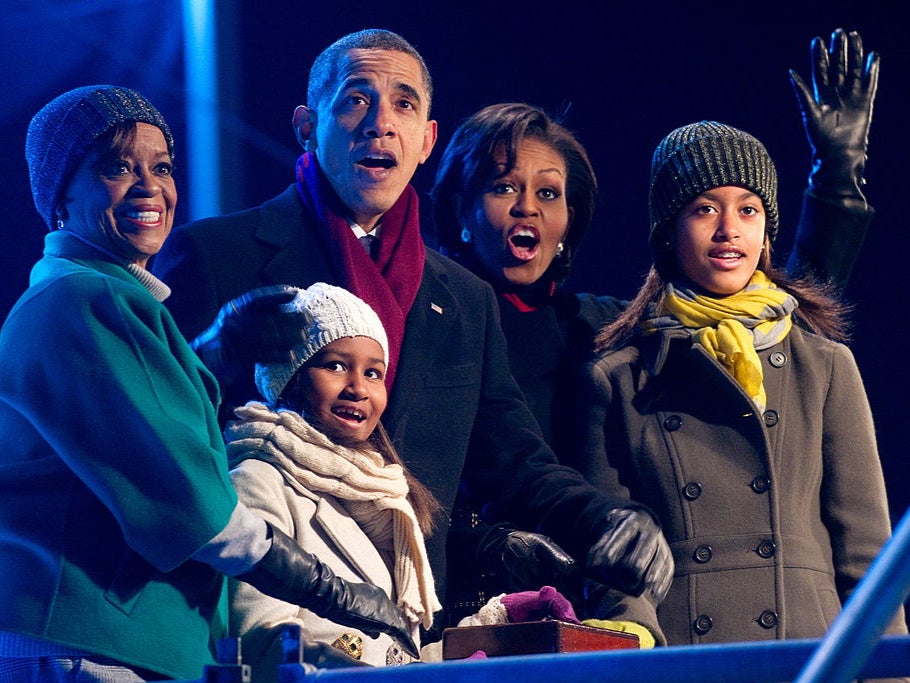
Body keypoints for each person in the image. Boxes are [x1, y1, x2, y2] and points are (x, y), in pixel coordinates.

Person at [151, 28, 675, 636]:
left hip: (407, 628)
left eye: (403, 104)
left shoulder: (464, 300)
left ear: (426, 140)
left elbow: (517, 462)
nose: (380, 123)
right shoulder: (217, 255)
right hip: (257, 618)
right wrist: (214, 350)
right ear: (306, 125)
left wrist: (606, 518)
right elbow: (160, 427)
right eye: (355, 99)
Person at [429, 27, 881, 620]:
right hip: (469, 605)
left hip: (586, 603)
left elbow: (764, 318)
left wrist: (836, 181)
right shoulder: (431, 330)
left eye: (549, 192)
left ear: (570, 220)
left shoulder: (604, 332)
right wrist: (486, 550)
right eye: (504, 187)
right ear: (462, 211)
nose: (527, 207)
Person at [0, 85, 419, 682]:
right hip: (91, 637)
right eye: (117, 167)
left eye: (162, 166)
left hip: (115, 639)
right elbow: (192, 505)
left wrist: (207, 354)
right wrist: (337, 593)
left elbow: (125, 420)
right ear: (61, 192)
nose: (150, 186)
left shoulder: (96, 297)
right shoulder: (85, 298)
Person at [572, 120, 907, 657]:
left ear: (767, 232)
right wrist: (630, 653)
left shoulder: (823, 366)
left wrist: (891, 671)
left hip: (810, 652)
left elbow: (867, 553)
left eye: (748, 210)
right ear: (667, 229)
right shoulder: (616, 379)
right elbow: (616, 559)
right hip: (686, 656)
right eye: (705, 208)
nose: (730, 229)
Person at [226, 282, 442, 673]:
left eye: (374, 373)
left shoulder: (383, 498)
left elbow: (396, 650)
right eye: (335, 366)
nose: (359, 388)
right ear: (289, 377)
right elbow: (259, 637)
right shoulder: (259, 479)